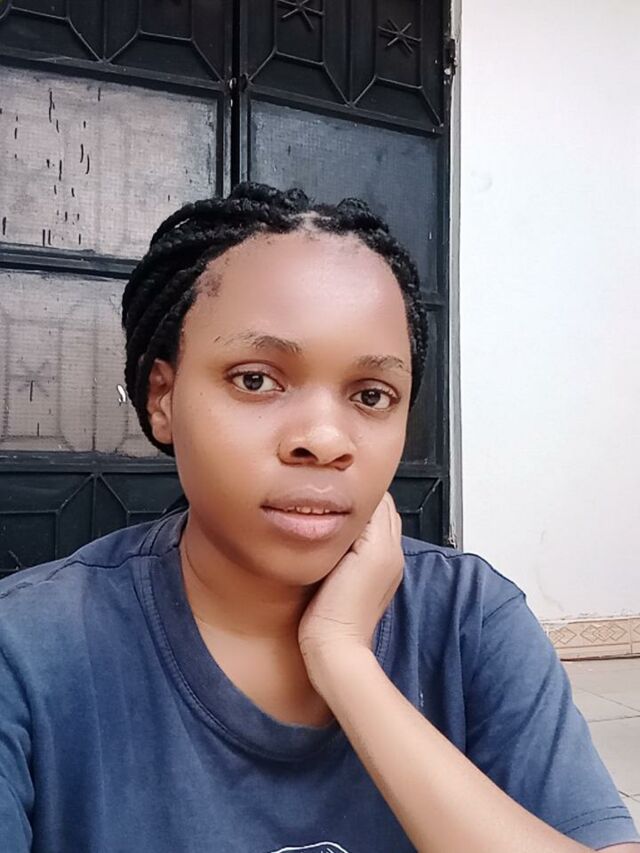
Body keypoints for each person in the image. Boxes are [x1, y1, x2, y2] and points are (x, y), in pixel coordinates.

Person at [0, 183, 638, 853]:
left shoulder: (468, 619)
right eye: (255, 379)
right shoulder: (29, 649)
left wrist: (343, 661)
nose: (326, 440)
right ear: (163, 397)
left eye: (372, 395)